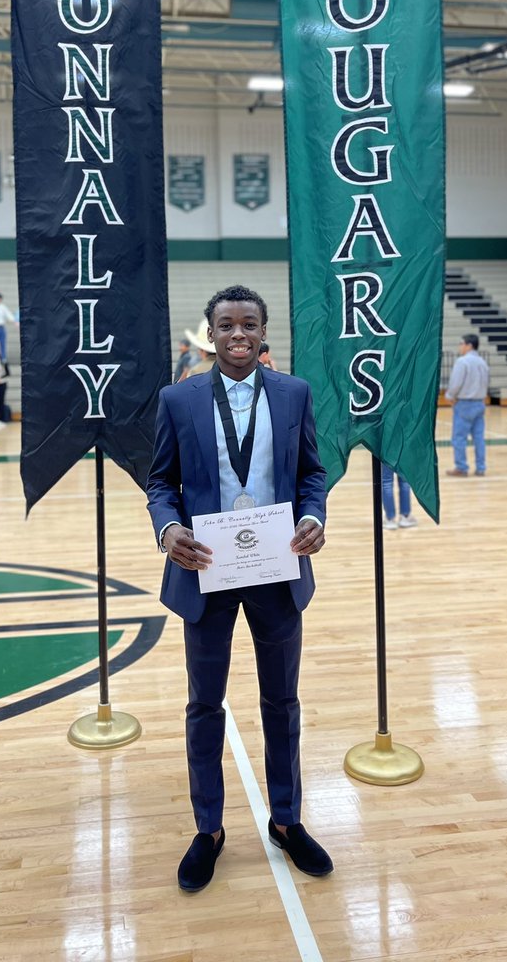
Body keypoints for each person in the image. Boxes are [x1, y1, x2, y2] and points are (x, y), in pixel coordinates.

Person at [146, 285, 331, 893]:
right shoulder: (178, 399)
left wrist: (313, 518)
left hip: (277, 571)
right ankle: (209, 829)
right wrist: (170, 529)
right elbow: (160, 484)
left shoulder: (294, 393)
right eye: (226, 325)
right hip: (207, 573)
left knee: (283, 701)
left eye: (249, 324)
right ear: (210, 333)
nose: (238, 335)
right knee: (204, 705)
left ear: (263, 330)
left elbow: (311, 472)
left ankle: (286, 820)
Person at [445, 334, 489, 476]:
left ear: (469, 345)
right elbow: (486, 382)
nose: (460, 346)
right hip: (479, 403)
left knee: (459, 438)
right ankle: (481, 467)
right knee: (479, 438)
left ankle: (461, 467)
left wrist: (450, 396)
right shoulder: (482, 362)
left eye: (461, 343)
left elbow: (456, 383)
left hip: (464, 404)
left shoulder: (462, 362)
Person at [381, 463, 417, 528]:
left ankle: (390, 519)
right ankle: (405, 516)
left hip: (386, 453)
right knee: (404, 481)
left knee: (387, 482)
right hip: (404, 452)